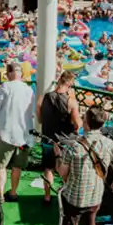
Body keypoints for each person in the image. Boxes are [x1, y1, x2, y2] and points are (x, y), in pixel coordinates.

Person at [0, 62, 35, 203]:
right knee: (17, 167)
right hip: (25, 135)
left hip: (7, 134)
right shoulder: (29, 90)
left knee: (1, 167)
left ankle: (1, 194)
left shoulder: (6, 87)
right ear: (21, 74)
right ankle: (13, 193)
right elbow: (32, 113)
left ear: (8, 74)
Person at [38, 70, 81, 206]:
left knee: (48, 169)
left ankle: (47, 197)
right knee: (66, 169)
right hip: (65, 141)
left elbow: (39, 120)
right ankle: (67, 196)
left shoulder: (43, 97)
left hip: (48, 139)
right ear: (69, 84)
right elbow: (78, 124)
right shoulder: (71, 102)